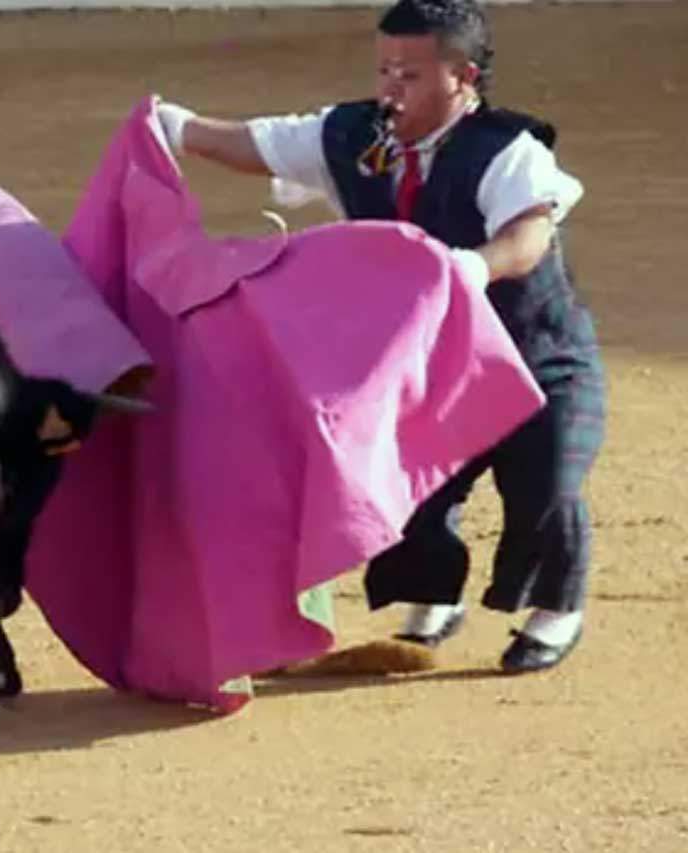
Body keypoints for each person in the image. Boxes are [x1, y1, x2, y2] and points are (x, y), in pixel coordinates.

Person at [155, 0, 604, 673]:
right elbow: (257, 143)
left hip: (535, 351)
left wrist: (474, 264)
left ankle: (555, 609)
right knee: (407, 484)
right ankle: (433, 595)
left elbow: (529, 235)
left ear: (464, 78)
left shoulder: (509, 149)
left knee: (547, 481)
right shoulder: (352, 134)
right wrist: (177, 127)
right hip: (424, 359)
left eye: (411, 74)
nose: (391, 87)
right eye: (385, 69)